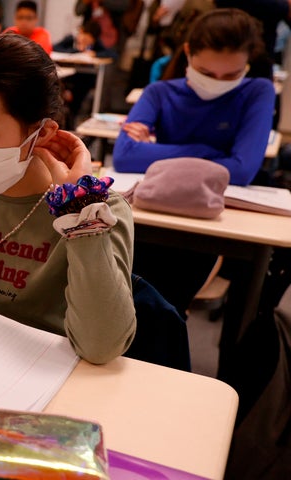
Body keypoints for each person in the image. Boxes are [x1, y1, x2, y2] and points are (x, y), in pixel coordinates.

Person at [0, 34, 136, 365]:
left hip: (48, 377)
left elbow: (100, 346)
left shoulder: (99, 211)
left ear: (41, 133)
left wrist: (78, 210)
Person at [113, 8, 276, 317]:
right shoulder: (160, 92)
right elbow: (124, 156)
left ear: (247, 64)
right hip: (156, 214)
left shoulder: (257, 91)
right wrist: (209, 151)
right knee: (136, 294)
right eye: (206, 72)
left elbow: (242, 169)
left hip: (212, 221)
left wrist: (159, 149)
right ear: (188, 52)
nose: (217, 83)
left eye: (231, 75)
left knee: (164, 301)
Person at [53, 20, 117, 127]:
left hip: (84, 78)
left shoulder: (96, 44)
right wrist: (76, 51)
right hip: (68, 76)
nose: (85, 42)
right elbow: (55, 47)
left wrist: (95, 53)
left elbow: (112, 54)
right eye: (84, 37)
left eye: (89, 41)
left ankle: (73, 118)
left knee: (81, 89)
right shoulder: (71, 39)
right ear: (81, 32)